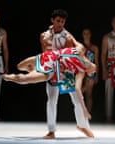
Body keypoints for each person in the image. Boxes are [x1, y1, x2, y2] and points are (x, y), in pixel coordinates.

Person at [2, 43, 96, 138]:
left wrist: (85, 110)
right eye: (93, 72)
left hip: (56, 72)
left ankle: (53, 131)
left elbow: (77, 89)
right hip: (49, 58)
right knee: (20, 66)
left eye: (92, 74)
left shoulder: (81, 71)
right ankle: (19, 74)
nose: (93, 73)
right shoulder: (80, 49)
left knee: (28, 80)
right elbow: (71, 38)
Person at [38, 9, 94, 139]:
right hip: (52, 68)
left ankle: (83, 126)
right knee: (51, 100)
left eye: (62, 21)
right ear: (52, 20)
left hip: (66, 69)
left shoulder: (67, 36)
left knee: (77, 98)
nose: (60, 24)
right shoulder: (43, 36)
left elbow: (69, 53)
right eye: (58, 21)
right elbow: (45, 54)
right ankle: (51, 130)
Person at [81, 28, 99, 113]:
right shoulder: (80, 47)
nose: (86, 35)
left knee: (89, 95)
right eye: (85, 33)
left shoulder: (95, 48)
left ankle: (88, 114)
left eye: (88, 33)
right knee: (80, 93)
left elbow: (97, 62)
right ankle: (80, 114)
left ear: (90, 35)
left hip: (91, 72)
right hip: (81, 72)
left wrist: (97, 75)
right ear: (82, 35)